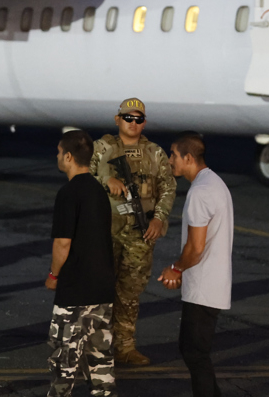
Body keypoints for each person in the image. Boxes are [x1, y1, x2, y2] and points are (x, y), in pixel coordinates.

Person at [89, 98, 177, 365]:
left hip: (140, 233)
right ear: (118, 120)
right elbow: (80, 177)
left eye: (139, 119)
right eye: (128, 118)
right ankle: (96, 349)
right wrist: (106, 180)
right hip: (106, 231)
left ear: (144, 123)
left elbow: (168, 187)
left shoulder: (155, 152)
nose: (133, 123)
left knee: (130, 292)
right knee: (99, 290)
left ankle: (125, 348)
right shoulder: (102, 148)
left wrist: (159, 219)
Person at [159, 132, 233, 397]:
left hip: (203, 288)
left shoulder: (200, 193)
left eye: (173, 155)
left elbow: (195, 247)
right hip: (213, 285)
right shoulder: (214, 182)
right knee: (193, 351)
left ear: (188, 157)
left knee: (195, 354)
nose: (170, 161)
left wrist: (176, 268)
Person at [47, 130, 117, 397]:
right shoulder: (99, 191)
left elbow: (62, 243)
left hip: (75, 290)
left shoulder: (68, 193)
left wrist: (53, 275)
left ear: (68, 156)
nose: (57, 156)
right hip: (102, 290)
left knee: (63, 364)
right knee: (101, 365)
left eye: (58, 152)